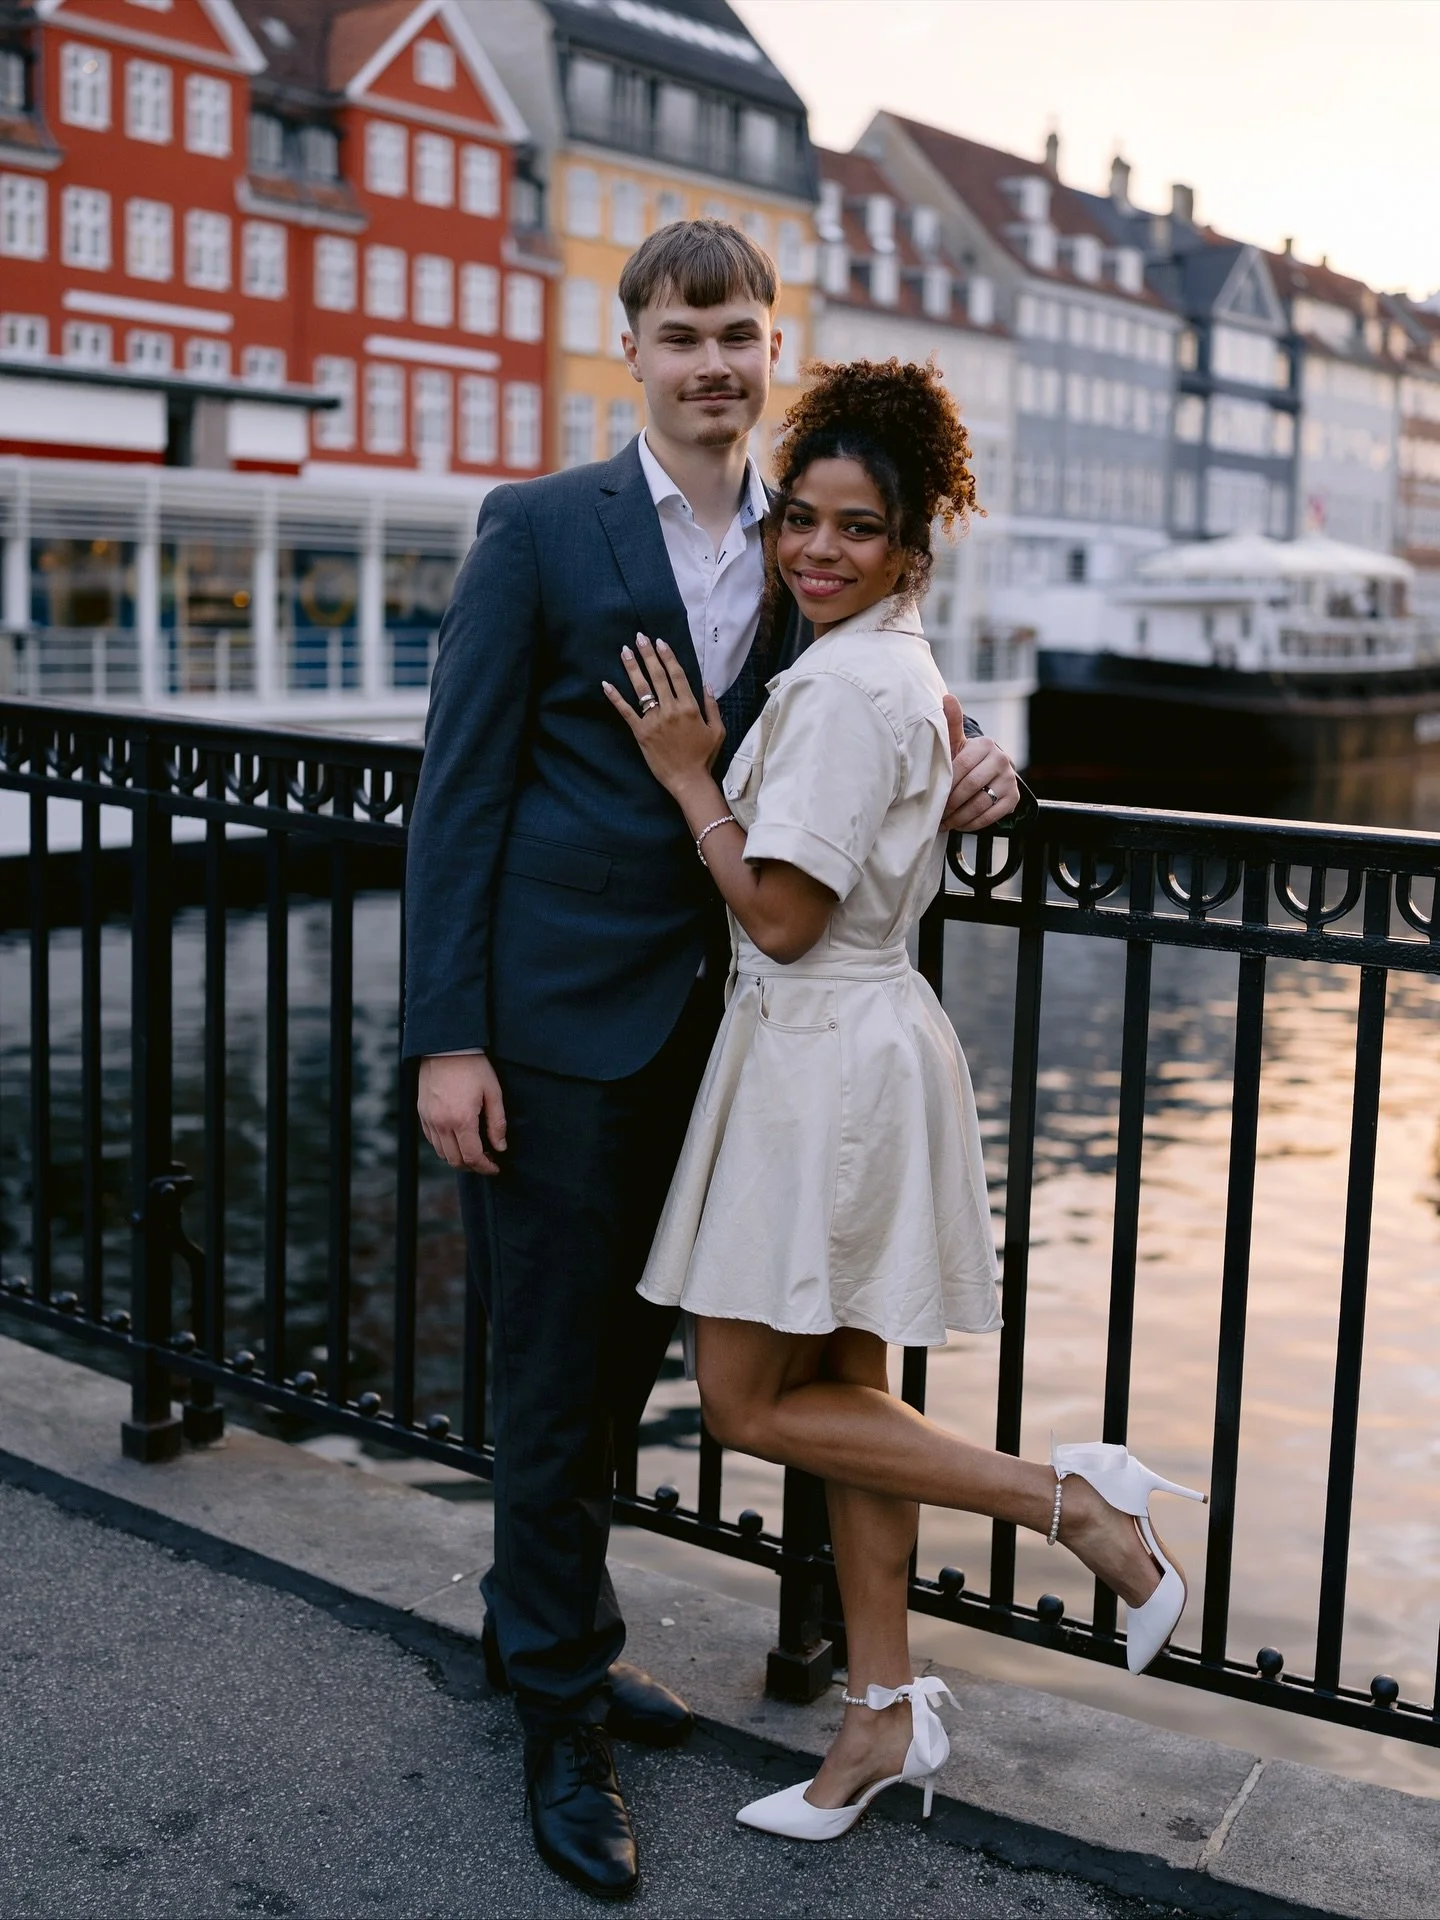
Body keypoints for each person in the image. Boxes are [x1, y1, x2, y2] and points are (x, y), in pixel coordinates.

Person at [402, 223, 1025, 1900]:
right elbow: (456, 794)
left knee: (625, 1381)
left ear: (773, 345)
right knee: (550, 1377)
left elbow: (870, 702)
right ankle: (556, 1713)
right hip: (557, 1028)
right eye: (683, 334)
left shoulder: (806, 532)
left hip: (741, 1040)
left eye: (741, 334)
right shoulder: (541, 529)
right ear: (633, 349)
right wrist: (447, 1037)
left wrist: (985, 754)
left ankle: (553, 1634)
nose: (714, 365)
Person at [612, 357, 1207, 1842]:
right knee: (853, 1396)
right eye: (797, 519)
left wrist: (692, 775)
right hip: (872, 1048)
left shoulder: (838, 689)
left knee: (750, 1405)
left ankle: (1071, 1505)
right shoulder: (900, 670)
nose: (814, 548)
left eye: (854, 528)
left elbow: (781, 919)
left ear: (910, 552)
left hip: (820, 1055)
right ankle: (881, 1714)